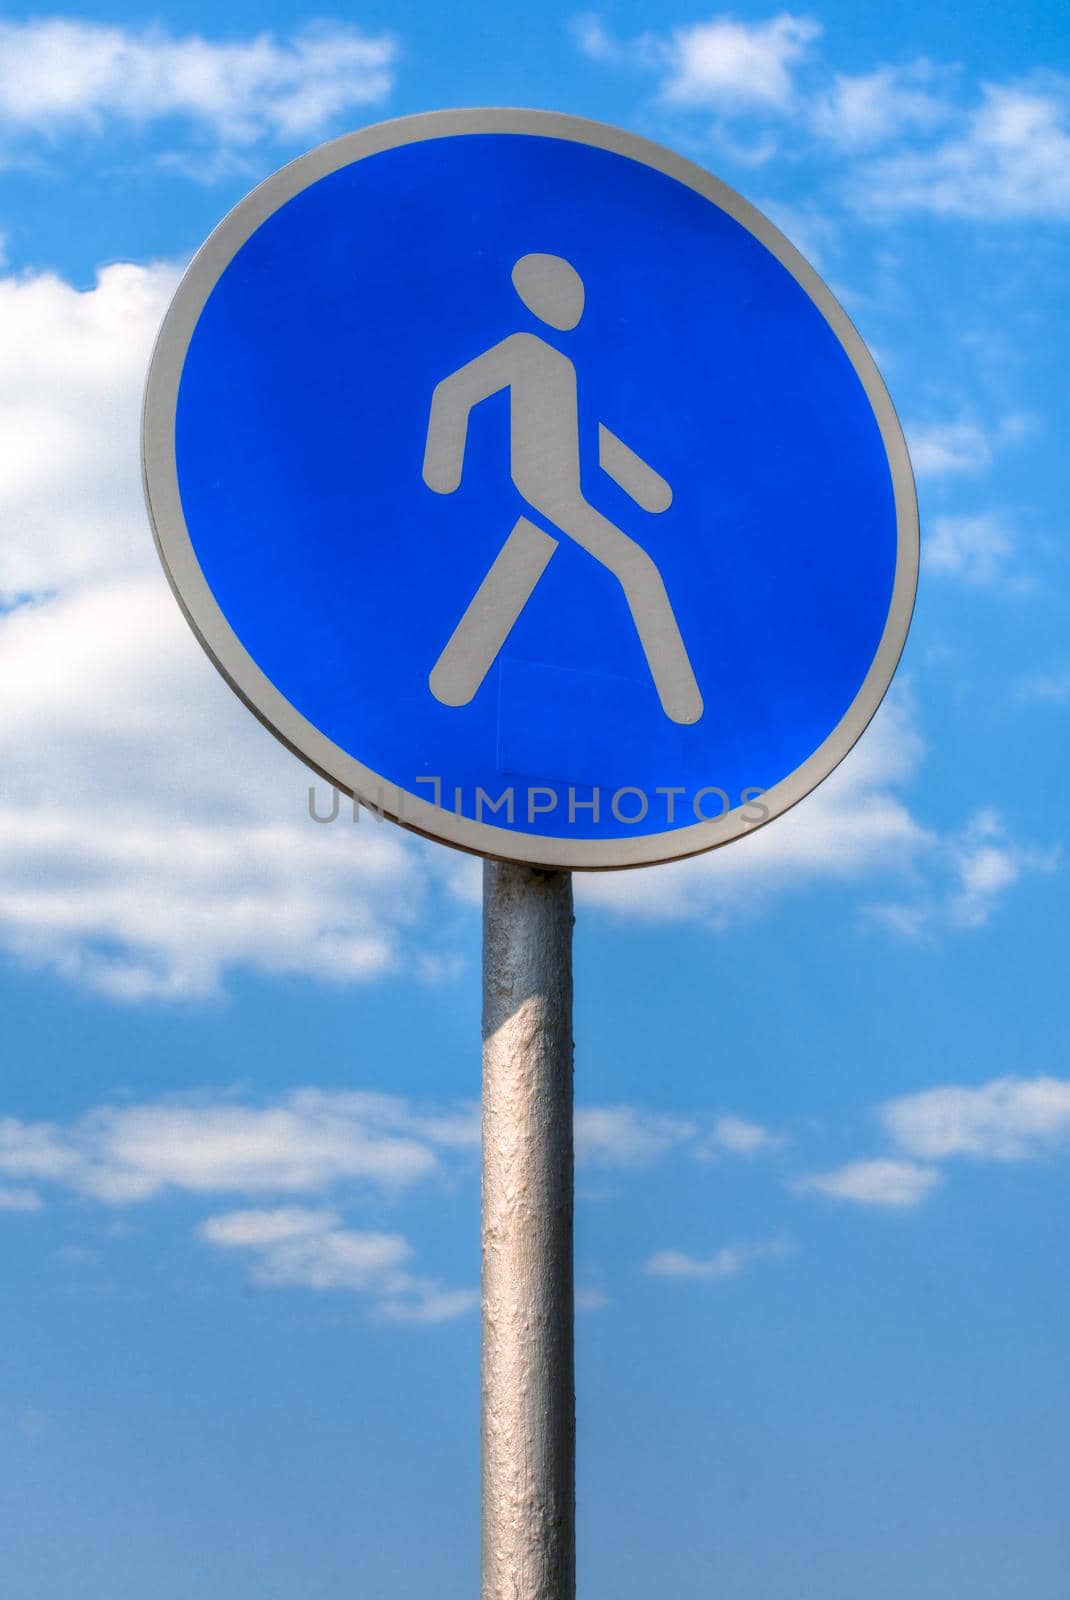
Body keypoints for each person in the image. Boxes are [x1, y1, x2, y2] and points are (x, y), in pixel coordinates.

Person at [422, 252, 703, 725]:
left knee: (517, 569)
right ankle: (683, 706)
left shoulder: (562, 366)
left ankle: (452, 685)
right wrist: (443, 472)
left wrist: (645, 486)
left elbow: (587, 435)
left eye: (576, 294)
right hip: (541, 486)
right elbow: (454, 393)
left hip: (555, 490)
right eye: (563, 293)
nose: (574, 305)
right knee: (638, 568)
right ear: (535, 296)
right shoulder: (523, 349)